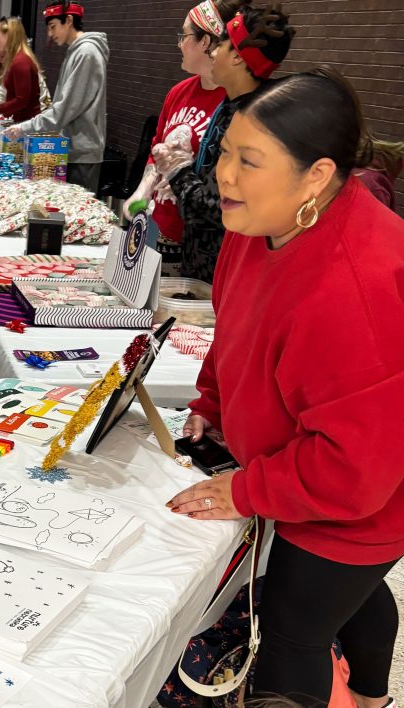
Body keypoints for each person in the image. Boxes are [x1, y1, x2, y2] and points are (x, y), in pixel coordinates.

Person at [166, 67, 404, 707]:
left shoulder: (353, 289)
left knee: (295, 633)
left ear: (317, 176)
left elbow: (355, 470)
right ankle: (378, 694)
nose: (223, 175)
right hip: (317, 460)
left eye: (250, 161)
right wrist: (212, 404)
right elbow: (236, 328)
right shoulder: (260, 223)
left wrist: (247, 489)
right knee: (350, 598)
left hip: (360, 498)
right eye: (224, 153)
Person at [154, 1, 294, 283]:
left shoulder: (250, 119)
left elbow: (218, 206)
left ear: (238, 58)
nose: (213, 51)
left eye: (222, 44)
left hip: (222, 269)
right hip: (202, 263)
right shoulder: (231, 105)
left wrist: (178, 171)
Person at [121, 0, 239, 276]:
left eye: (183, 36)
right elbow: (156, 147)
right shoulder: (178, 93)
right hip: (156, 225)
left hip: (196, 240)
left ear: (205, 41)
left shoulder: (231, 103)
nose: (178, 44)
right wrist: (142, 191)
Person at [1, 1, 109, 192]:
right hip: (72, 149)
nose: (50, 34)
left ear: (68, 20)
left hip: (82, 154)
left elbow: (64, 109)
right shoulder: (77, 51)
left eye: (53, 27)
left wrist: (24, 127)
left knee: (76, 217)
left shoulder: (87, 52)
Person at [0, 17, 42, 123]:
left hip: (26, 125)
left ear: (8, 35)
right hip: (24, 123)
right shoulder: (19, 59)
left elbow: (21, 101)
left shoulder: (20, 62)